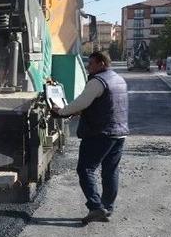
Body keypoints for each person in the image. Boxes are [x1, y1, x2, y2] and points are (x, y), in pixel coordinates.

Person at [52, 51, 128, 224]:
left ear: (102, 63)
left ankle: (95, 207)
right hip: (119, 133)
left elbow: (82, 101)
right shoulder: (118, 79)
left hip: (100, 133)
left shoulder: (98, 81)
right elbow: (108, 105)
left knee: (86, 169)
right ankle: (107, 208)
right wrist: (83, 111)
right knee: (110, 171)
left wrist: (62, 111)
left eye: (91, 64)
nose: (88, 67)